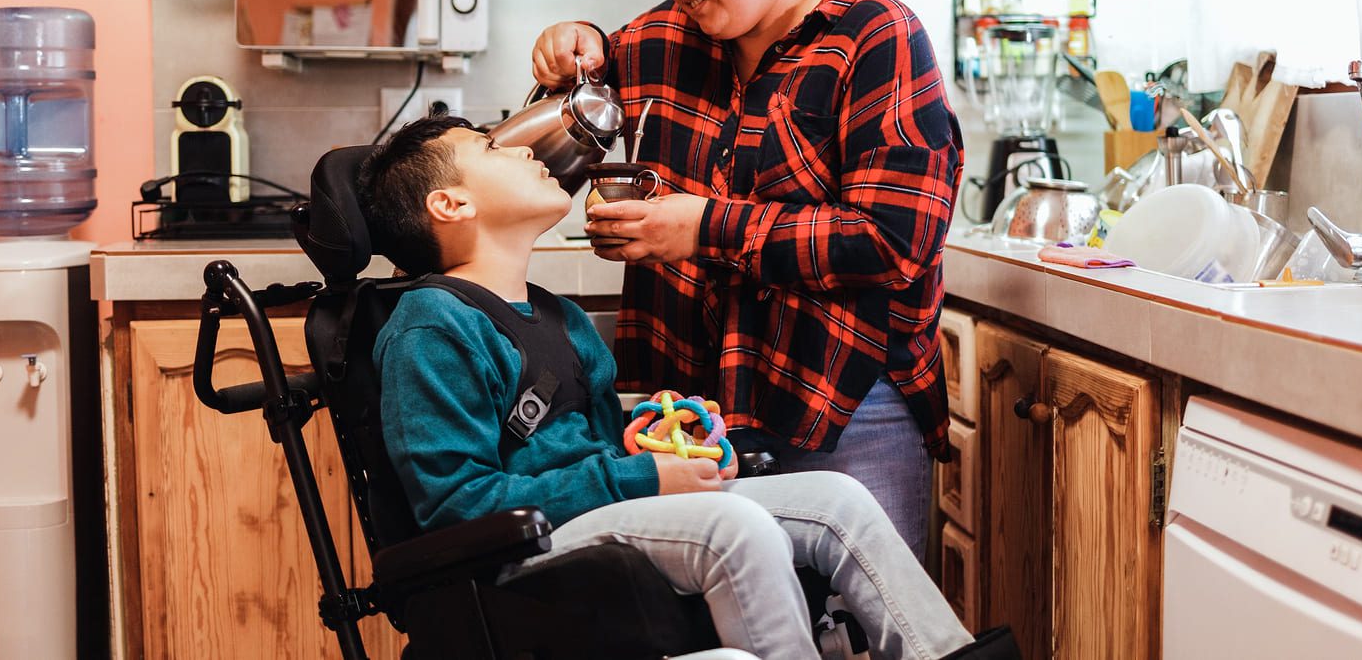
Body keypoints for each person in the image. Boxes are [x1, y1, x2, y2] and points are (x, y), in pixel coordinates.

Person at [357, 116, 1017, 660]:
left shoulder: (560, 317)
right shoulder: (431, 326)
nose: (525, 149)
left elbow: (591, 450)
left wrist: (650, 442)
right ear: (451, 204)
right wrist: (642, 477)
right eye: (492, 148)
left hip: (589, 519)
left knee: (838, 499)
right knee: (735, 526)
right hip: (520, 550)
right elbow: (457, 505)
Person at [530, 0, 962, 557]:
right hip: (689, 415)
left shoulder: (876, 37)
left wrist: (703, 228)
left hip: (844, 402)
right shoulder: (659, 39)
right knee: (723, 612)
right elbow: (559, 123)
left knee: (864, 611)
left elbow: (893, 241)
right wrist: (570, 49)